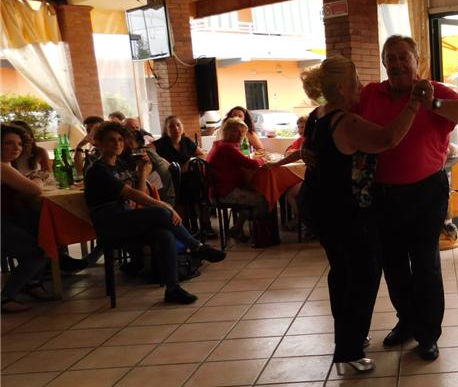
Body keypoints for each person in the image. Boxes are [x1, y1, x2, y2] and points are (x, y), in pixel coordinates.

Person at [299, 56, 431, 374]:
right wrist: (414, 104)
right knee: (362, 276)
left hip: (318, 205)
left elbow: (313, 152)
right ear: (341, 87)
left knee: (342, 273)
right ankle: (349, 350)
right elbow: (388, 139)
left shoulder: (317, 116)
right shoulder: (346, 123)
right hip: (343, 211)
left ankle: (350, 337)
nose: (360, 87)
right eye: (355, 82)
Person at [356, 35, 458, 362]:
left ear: (416, 61)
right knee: (393, 265)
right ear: (384, 63)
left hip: (426, 193)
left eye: (403, 57)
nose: (396, 64)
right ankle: (407, 322)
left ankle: (428, 334)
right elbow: (344, 120)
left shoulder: (433, 91)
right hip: (382, 194)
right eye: (390, 58)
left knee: (425, 265)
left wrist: (432, 104)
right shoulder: (371, 94)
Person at [84, 121, 225, 304]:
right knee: (161, 212)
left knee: (164, 234)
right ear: (100, 143)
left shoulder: (120, 164)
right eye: (111, 140)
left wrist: (143, 171)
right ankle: (196, 247)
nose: (117, 143)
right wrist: (165, 206)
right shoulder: (97, 170)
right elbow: (131, 194)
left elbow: (139, 194)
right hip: (109, 223)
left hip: (125, 217)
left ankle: (173, 289)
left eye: (120, 139)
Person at [1, 125, 51, 312]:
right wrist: (39, 176)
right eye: (9, 143)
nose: (17, 148)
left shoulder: (7, 165)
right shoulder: (1, 167)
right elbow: (35, 189)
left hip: (9, 219)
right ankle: (6, 297)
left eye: (20, 144)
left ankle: (31, 283)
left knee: (37, 232)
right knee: (39, 251)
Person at [206, 117, 273, 241]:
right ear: (227, 132)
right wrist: (263, 160)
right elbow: (251, 164)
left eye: (242, 132)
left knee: (251, 194)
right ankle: (262, 236)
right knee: (263, 199)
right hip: (224, 192)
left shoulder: (220, 144)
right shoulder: (227, 148)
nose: (241, 135)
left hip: (219, 190)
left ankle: (237, 229)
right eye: (237, 131)